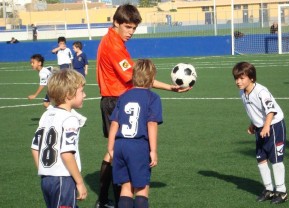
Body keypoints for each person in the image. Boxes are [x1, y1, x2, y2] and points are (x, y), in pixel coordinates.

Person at [95, 4, 190, 208]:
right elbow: (136, 78)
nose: (131, 32)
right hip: (117, 100)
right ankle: (109, 199)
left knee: (113, 152)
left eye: (134, 28)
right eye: (127, 27)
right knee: (115, 152)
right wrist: (169, 87)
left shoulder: (112, 39)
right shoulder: (114, 46)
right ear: (116, 23)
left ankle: (106, 199)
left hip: (115, 99)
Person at [108, 59, 162, 208]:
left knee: (126, 188)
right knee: (142, 189)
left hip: (120, 145)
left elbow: (114, 123)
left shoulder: (124, 96)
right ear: (152, 79)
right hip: (138, 146)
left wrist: (110, 148)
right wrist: (153, 151)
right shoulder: (153, 98)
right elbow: (151, 124)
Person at [232, 62, 288, 204]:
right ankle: (269, 189)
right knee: (261, 158)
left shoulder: (261, 92)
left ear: (251, 78)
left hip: (274, 126)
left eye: (241, 78)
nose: (238, 81)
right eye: (236, 78)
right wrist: (253, 124)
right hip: (260, 128)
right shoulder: (242, 93)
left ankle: (282, 192)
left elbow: (271, 110)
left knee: (275, 158)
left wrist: (266, 126)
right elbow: (255, 111)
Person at [31, 69, 88, 208]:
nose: (85, 95)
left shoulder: (46, 115)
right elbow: (67, 153)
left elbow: (34, 148)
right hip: (63, 179)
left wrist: (45, 171)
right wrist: (80, 182)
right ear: (69, 94)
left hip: (47, 180)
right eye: (81, 91)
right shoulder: (70, 119)